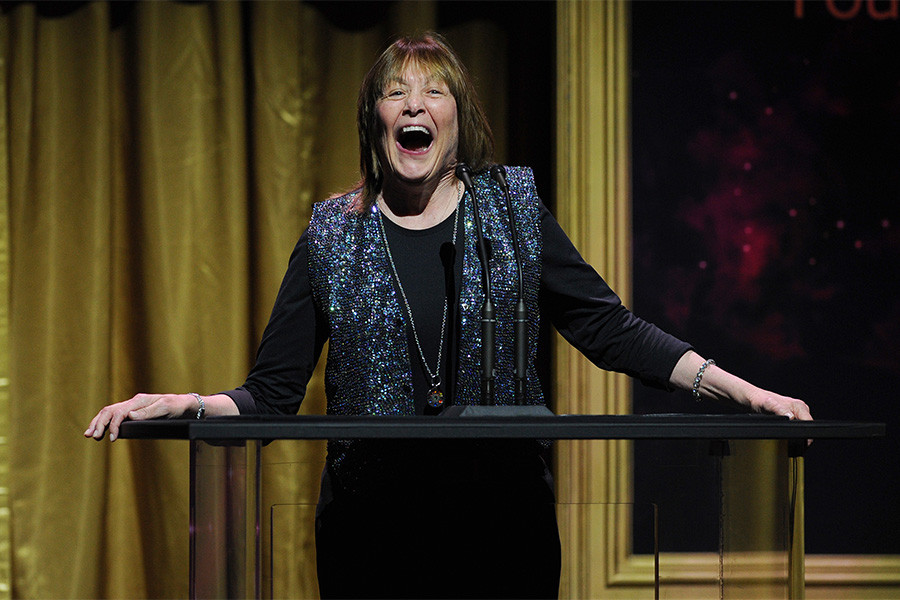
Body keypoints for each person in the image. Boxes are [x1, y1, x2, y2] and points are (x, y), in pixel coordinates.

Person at [85, 32, 812, 599]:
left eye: (434, 92)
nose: (413, 105)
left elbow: (609, 329)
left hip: (502, 529)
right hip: (371, 537)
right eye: (395, 93)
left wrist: (741, 392)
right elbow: (272, 393)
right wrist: (193, 406)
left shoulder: (513, 213)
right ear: (373, 120)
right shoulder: (332, 235)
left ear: (458, 122)